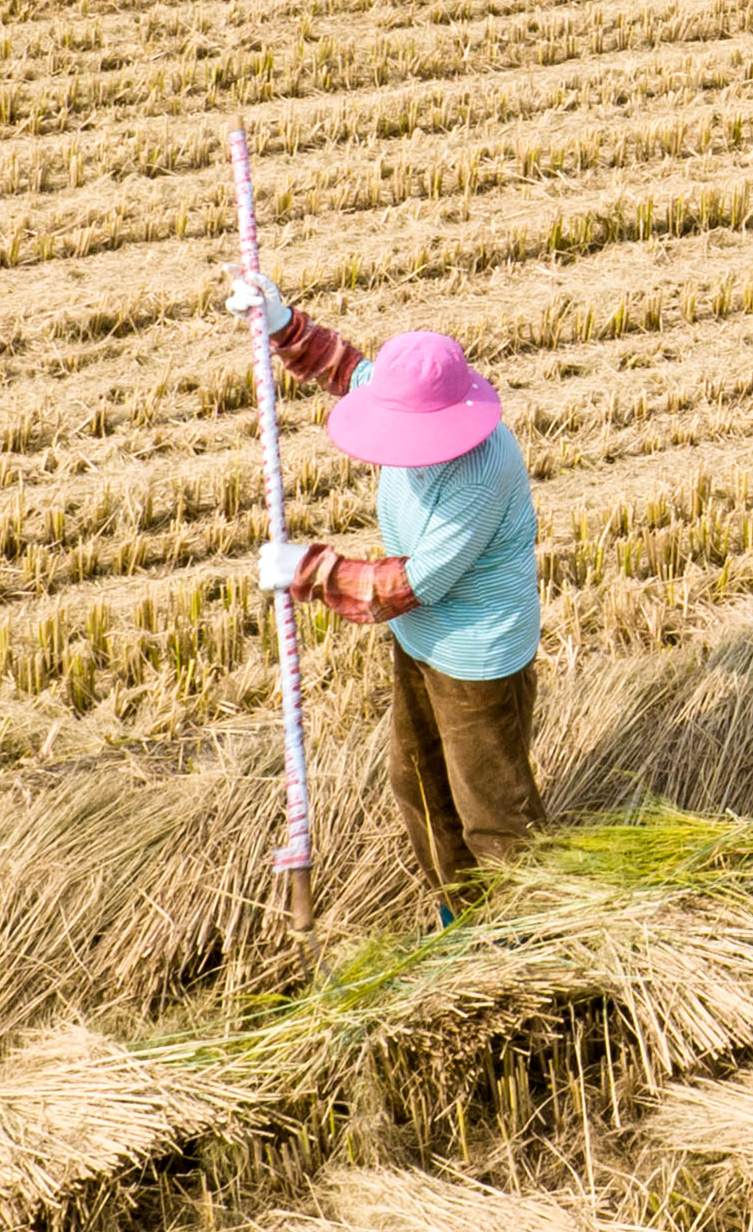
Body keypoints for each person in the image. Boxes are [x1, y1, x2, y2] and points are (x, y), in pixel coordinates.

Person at [228, 267, 546, 898]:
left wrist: (311, 572)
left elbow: (416, 582)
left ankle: (533, 935)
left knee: (495, 812)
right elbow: (347, 371)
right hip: (420, 643)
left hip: (477, 658)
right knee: (417, 785)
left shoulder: (482, 471)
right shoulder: (407, 395)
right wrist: (283, 325)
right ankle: (461, 916)